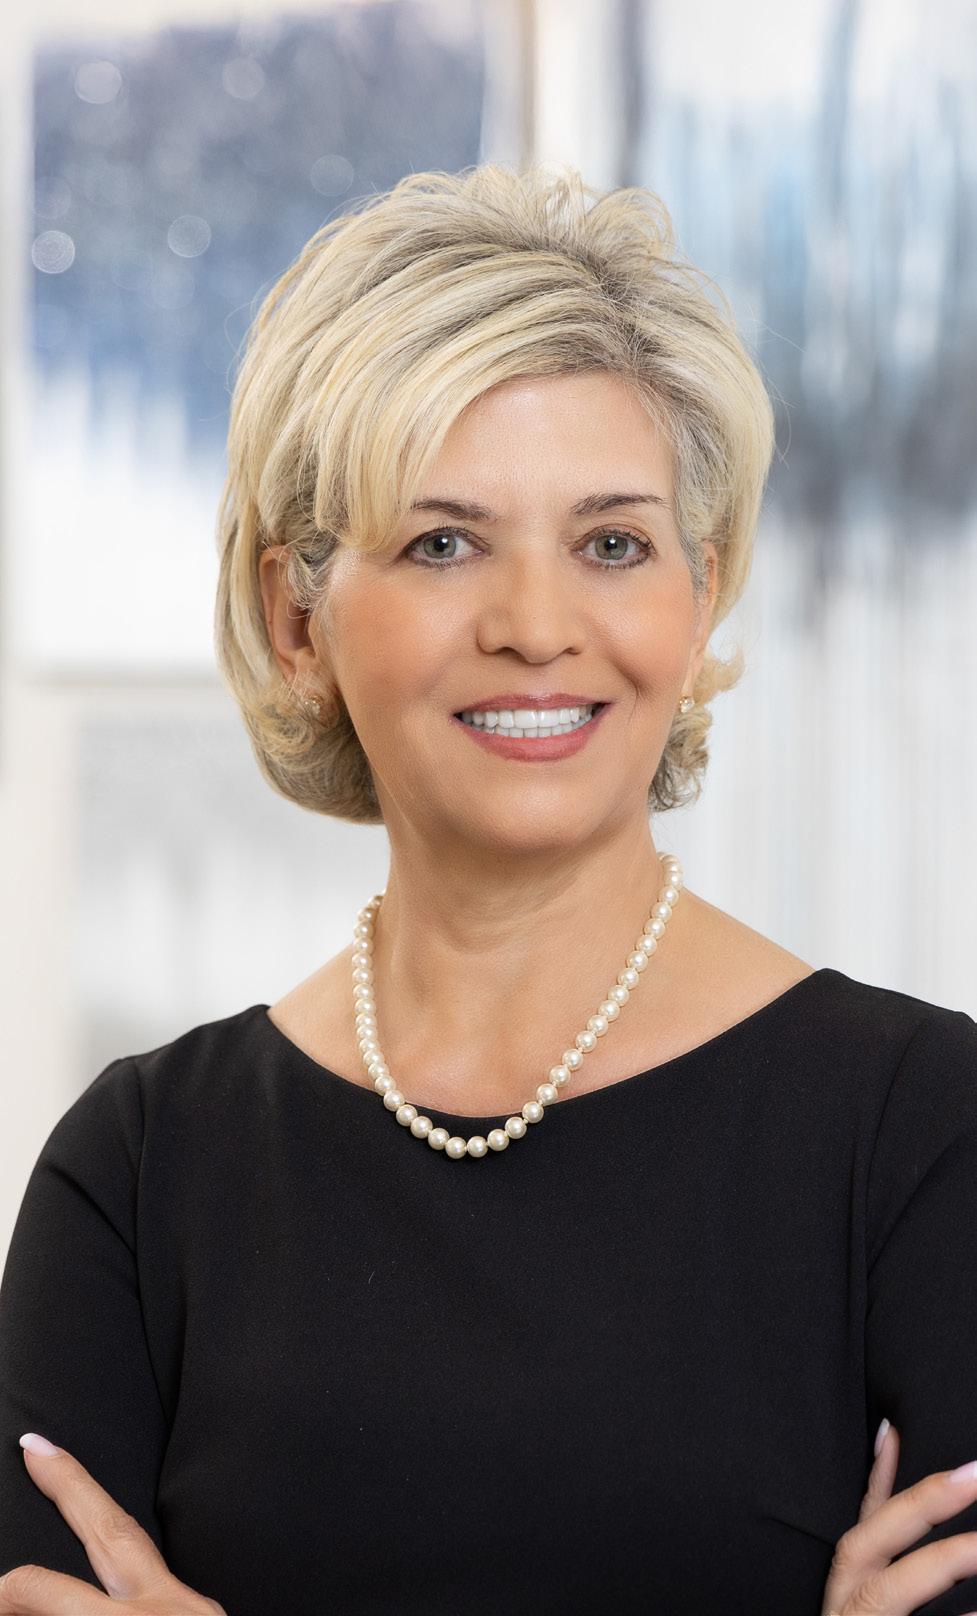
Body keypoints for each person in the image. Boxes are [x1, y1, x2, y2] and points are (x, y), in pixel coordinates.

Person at [1, 163, 976, 1616]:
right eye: (443, 542)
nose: (535, 625)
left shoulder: (924, 1138)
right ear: (296, 617)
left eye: (612, 544)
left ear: (698, 594)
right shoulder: (139, 1178)